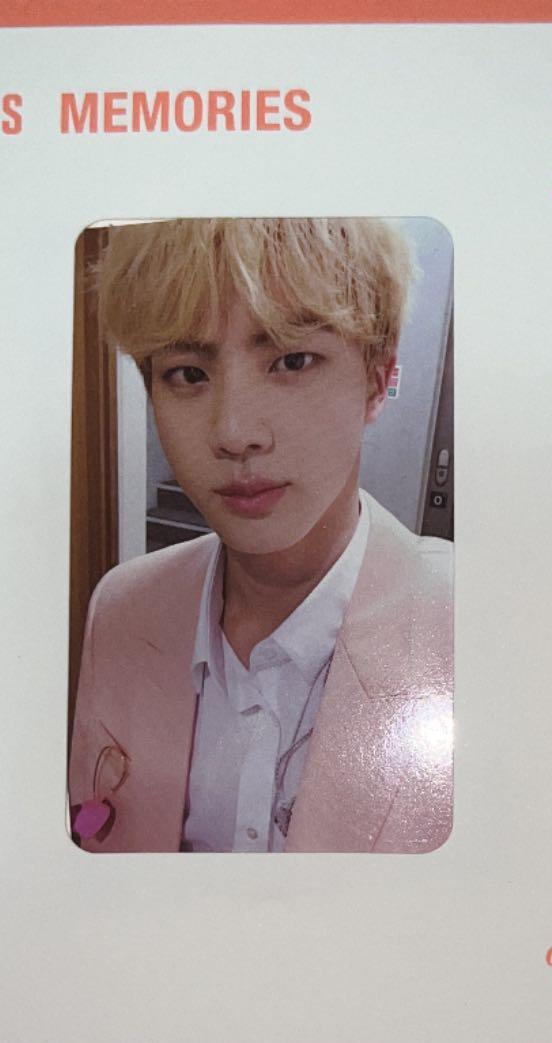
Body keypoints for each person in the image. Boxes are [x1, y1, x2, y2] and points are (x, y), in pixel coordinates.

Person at [69, 218, 453, 853]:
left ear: (377, 379)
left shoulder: (472, 626)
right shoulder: (121, 608)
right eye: (188, 374)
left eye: (291, 360)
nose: (234, 432)